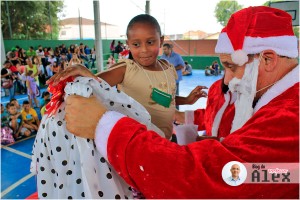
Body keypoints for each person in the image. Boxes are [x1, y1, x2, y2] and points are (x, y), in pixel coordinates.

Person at [60, 6, 298, 198]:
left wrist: (104, 125)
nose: (227, 80)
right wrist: (214, 140)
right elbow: (265, 173)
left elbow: (222, 177)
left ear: (267, 59)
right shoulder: (264, 97)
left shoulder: (289, 119)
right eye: (136, 44)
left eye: (232, 67)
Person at [49, 14, 206, 141]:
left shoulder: (168, 67)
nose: (144, 50)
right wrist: (83, 71)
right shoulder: (127, 69)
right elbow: (93, 84)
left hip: (165, 140)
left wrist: (186, 100)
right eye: (136, 44)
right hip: (140, 145)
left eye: (150, 42)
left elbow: (166, 99)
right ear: (128, 44)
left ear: (162, 40)